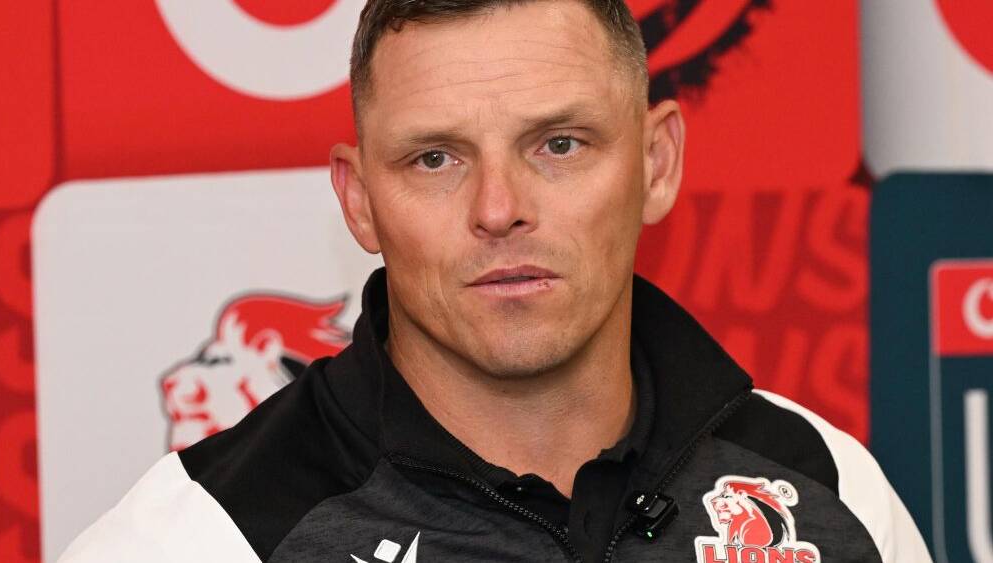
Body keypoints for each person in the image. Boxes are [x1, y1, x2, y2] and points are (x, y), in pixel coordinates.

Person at [61, 0, 932, 561]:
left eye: (560, 144)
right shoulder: (204, 536)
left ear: (656, 163)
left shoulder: (825, 486)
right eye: (435, 158)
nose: (499, 208)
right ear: (359, 202)